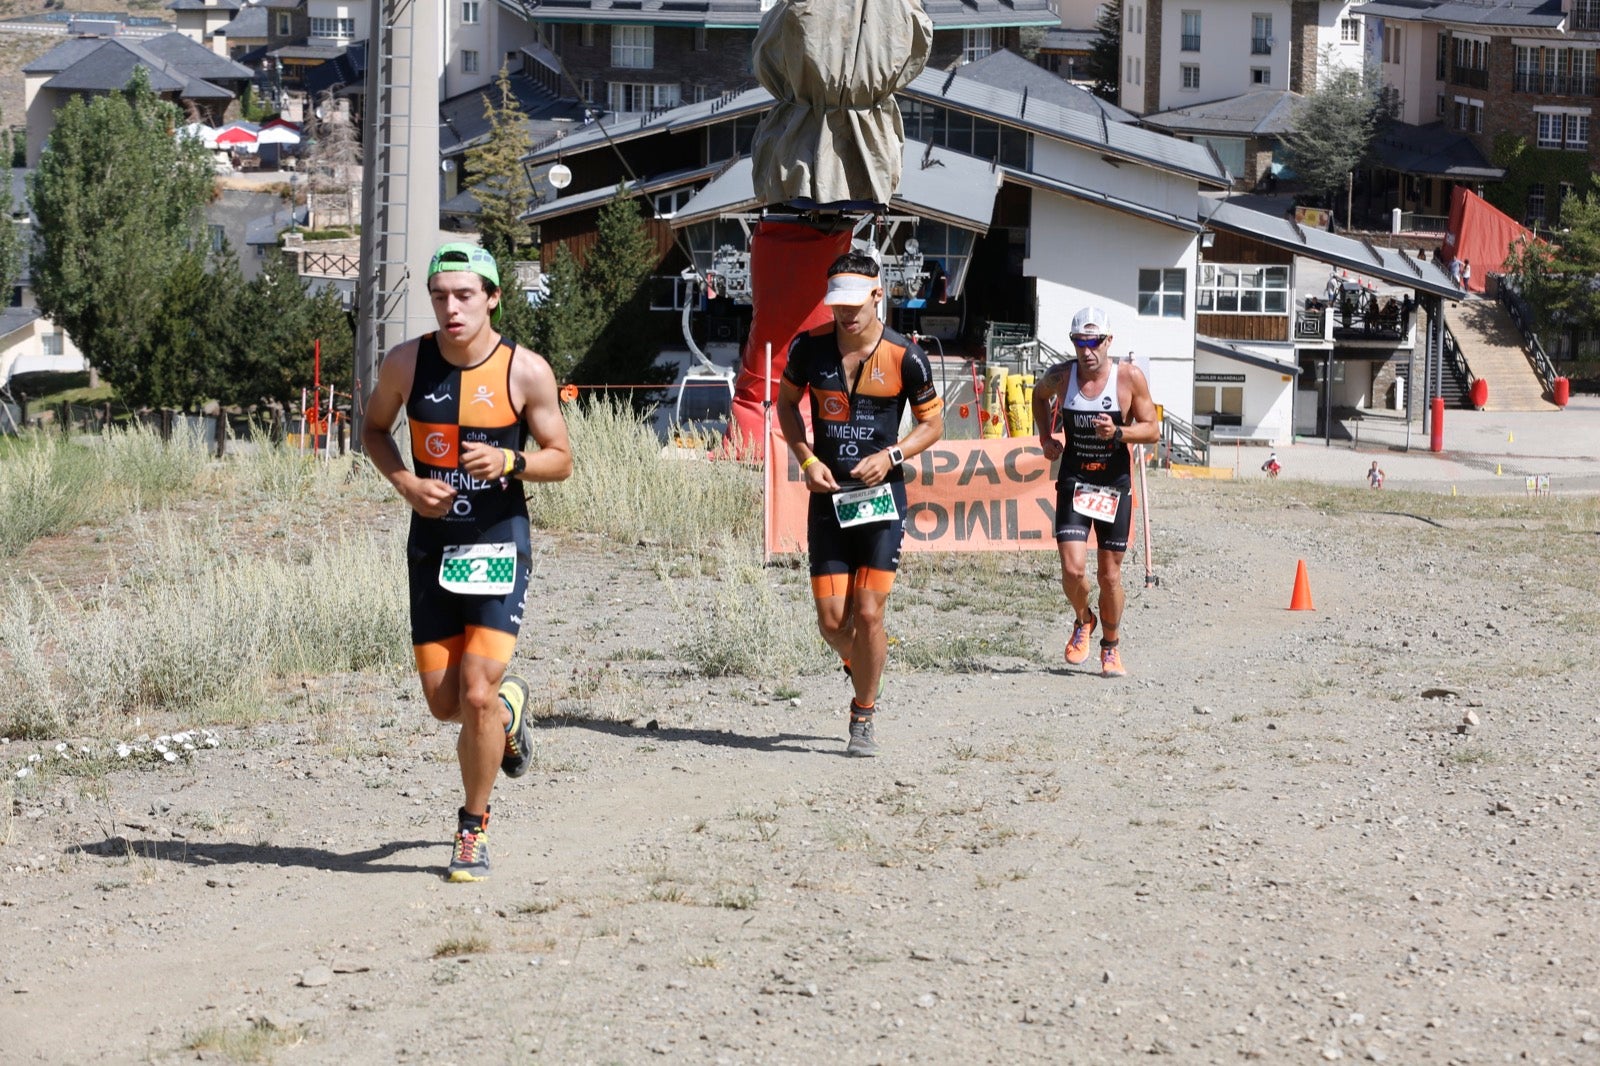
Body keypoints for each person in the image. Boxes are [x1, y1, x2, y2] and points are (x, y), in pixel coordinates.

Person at [360, 242, 573, 882]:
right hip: (431, 546)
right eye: (440, 296)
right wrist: (404, 482)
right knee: (444, 702)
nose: (451, 308)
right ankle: (508, 712)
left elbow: (561, 457)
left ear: (492, 298)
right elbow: (372, 429)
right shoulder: (406, 362)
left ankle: (471, 828)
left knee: (473, 693)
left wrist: (511, 461)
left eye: (464, 295)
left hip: (498, 541)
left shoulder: (524, 370)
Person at [776, 251, 944, 756]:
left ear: (877, 296)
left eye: (855, 303)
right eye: (837, 305)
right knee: (832, 623)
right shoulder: (809, 348)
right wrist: (805, 459)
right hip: (829, 499)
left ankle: (863, 713)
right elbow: (786, 404)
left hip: (881, 501)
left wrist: (892, 454)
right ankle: (868, 666)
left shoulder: (906, 355)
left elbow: (932, 424)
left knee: (869, 614)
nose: (845, 314)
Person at [1032, 306, 1159, 679]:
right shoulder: (1061, 376)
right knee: (1072, 570)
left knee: (1109, 577)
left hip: (1113, 484)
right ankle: (1083, 619)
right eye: (1079, 342)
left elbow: (1151, 429)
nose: (1087, 351)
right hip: (1074, 479)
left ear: (1109, 341)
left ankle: (1111, 645)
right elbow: (1039, 398)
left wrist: (1119, 433)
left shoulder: (1128, 378)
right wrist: (1045, 436)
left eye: (1094, 342)